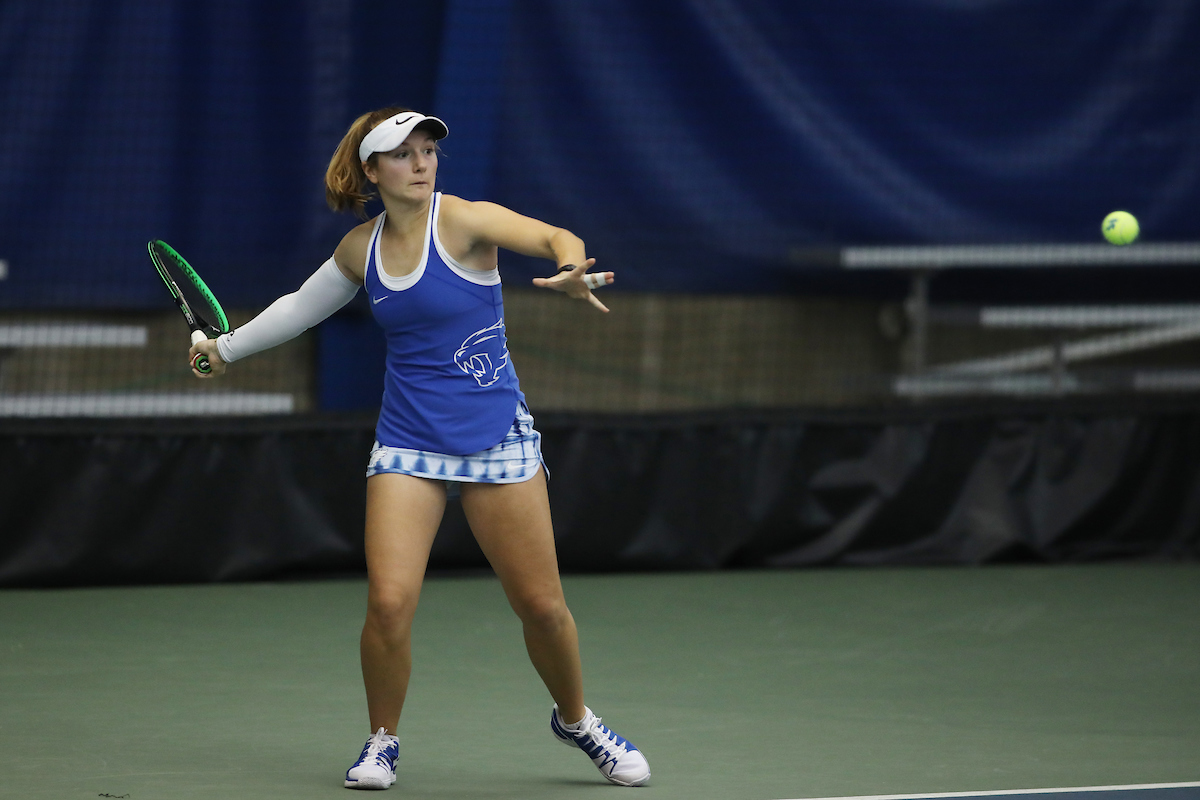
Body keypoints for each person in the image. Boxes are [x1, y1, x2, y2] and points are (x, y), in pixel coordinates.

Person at [188, 107, 651, 790]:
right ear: (372, 171)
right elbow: (296, 307)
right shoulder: (359, 250)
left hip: (496, 436)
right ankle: (382, 741)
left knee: (543, 608)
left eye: (428, 150)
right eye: (403, 154)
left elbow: (553, 234)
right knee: (389, 603)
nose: (422, 163)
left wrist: (571, 266)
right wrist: (221, 351)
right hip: (408, 442)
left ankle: (578, 720)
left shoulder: (464, 222)